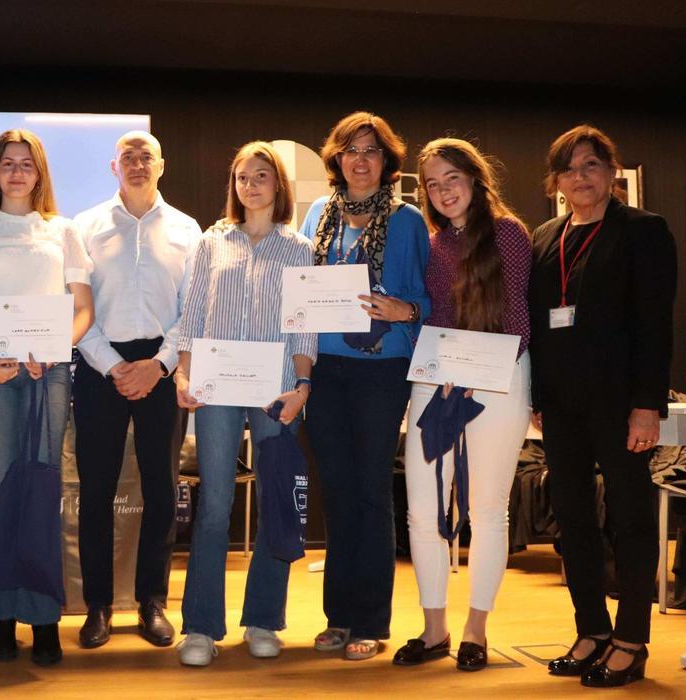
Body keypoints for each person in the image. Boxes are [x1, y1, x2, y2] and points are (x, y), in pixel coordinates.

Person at [528, 125, 675, 688]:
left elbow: (653, 324)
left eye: (591, 165)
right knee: (571, 519)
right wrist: (539, 395)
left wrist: (647, 406)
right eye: (569, 168)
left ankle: (631, 640)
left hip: (620, 404)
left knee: (631, 520)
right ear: (557, 181)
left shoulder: (643, 231)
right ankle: (590, 628)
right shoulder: (546, 236)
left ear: (611, 171)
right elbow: (542, 325)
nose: (581, 176)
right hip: (560, 406)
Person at [0, 129, 94, 666]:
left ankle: (45, 618)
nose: (16, 172)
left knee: (41, 489)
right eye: (7, 163)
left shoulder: (63, 231)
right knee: (1, 490)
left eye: (26, 165)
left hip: (47, 370)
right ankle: (3, 615)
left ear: (39, 174)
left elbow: (82, 310)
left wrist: (58, 349)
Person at [173, 141, 317, 667]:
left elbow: (306, 327)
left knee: (275, 499)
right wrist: (183, 372)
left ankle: (262, 620)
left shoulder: (299, 248)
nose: (250, 185)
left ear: (278, 185)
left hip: (276, 389)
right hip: (215, 389)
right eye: (241, 176)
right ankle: (201, 627)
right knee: (215, 504)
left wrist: (302, 386)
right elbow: (191, 316)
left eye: (261, 176)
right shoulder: (212, 242)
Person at [393, 138, 532, 671]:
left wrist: (480, 372)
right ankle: (434, 630)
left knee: (486, 510)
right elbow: (432, 316)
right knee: (423, 510)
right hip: (437, 380)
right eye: (432, 182)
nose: (443, 190)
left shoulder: (508, 234)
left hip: (499, 379)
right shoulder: (431, 242)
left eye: (452, 177)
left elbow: (517, 317)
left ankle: (476, 628)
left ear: (475, 179)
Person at [299, 111, 430, 661]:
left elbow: (431, 299)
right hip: (323, 369)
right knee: (337, 490)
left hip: (382, 368)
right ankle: (339, 616)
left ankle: (372, 620)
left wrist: (405, 309)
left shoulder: (408, 221)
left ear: (387, 161)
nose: (360, 159)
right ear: (336, 158)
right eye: (351, 150)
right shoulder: (316, 215)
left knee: (372, 490)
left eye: (372, 151)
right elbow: (299, 291)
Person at [72, 131, 200, 650]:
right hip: (101, 363)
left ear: (162, 165)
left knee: (162, 491)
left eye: (146, 156)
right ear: (113, 166)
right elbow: (76, 307)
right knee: (96, 493)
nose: (138, 163)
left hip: (162, 369)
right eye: (128, 156)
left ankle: (152, 601)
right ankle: (98, 606)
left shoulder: (189, 230)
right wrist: (114, 366)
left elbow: (192, 310)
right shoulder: (84, 226)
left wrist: (160, 365)